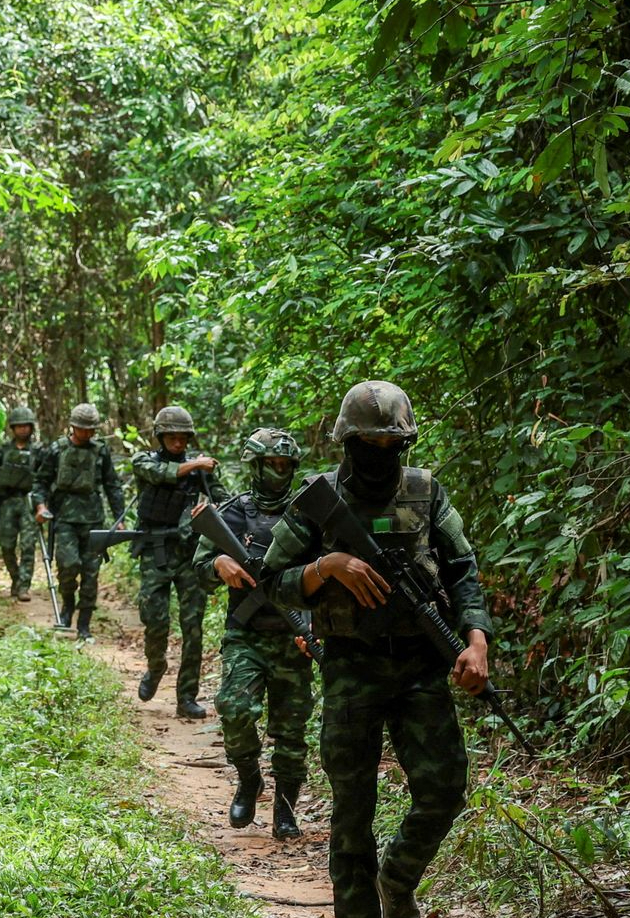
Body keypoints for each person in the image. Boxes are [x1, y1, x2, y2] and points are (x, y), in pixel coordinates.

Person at [249, 380, 495, 918]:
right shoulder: (319, 500)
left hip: (420, 667)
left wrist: (475, 641)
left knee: (445, 789)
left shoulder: (426, 492)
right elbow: (269, 581)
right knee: (353, 809)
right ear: (346, 443)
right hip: (350, 667)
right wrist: (326, 567)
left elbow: (462, 572)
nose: (381, 455)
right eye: (369, 444)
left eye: (392, 445)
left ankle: (397, 879)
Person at [193, 427, 315, 839]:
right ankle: (248, 778)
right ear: (255, 466)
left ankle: (284, 809)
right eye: (271, 464)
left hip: (293, 634)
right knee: (234, 707)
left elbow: (326, 576)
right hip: (245, 633)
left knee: (291, 728)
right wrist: (218, 566)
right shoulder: (233, 512)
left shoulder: (308, 514)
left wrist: (317, 629)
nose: (278, 472)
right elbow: (200, 564)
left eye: (285, 465)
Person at [128, 406, 229, 718]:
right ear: (160, 437)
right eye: (171, 436)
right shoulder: (145, 460)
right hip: (155, 550)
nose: (177, 442)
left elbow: (224, 500)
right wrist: (196, 463)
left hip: (188, 552)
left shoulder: (200, 469)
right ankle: (155, 667)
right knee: (155, 620)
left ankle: (187, 696)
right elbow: (160, 474)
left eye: (182, 437)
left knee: (193, 627)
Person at [31, 403, 124, 640]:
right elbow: (40, 482)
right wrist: (41, 507)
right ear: (72, 427)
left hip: (94, 519)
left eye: (91, 430)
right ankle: (67, 608)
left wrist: (119, 516)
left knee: (91, 573)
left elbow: (112, 485)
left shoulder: (101, 451)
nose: (86, 434)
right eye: (82, 429)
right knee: (68, 566)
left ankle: (84, 624)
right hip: (64, 519)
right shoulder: (57, 449)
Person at [0, 405, 42, 601]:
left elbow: (45, 478)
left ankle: (24, 586)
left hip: (29, 502)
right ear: (13, 428)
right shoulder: (3, 450)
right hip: (6, 503)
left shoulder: (39, 451)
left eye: (26, 426)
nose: (23, 429)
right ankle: (15, 578)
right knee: (6, 545)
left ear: (31, 428)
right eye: (19, 426)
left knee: (28, 545)